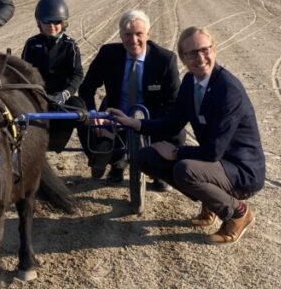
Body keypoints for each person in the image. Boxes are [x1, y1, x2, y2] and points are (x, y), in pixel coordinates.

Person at [109, 26, 265, 245]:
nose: (200, 58)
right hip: (216, 164)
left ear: (214, 49)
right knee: (146, 157)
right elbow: (171, 125)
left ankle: (238, 213)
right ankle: (211, 201)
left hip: (241, 169)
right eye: (191, 53)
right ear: (183, 58)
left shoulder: (228, 90)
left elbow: (213, 151)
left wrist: (176, 153)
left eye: (204, 49)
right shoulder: (190, 83)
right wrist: (133, 123)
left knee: (186, 170)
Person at [78, 9, 181, 186]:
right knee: (85, 121)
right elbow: (86, 88)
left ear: (148, 34)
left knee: (177, 134)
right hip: (116, 113)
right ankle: (115, 161)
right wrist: (95, 115)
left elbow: (173, 102)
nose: (133, 40)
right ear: (120, 35)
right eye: (127, 34)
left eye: (139, 34)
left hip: (150, 117)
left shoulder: (164, 59)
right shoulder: (108, 54)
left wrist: (153, 126)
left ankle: (159, 170)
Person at [22, 0, 85, 152]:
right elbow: (24, 73)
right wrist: (37, 94)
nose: (52, 26)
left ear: (64, 23)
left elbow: (77, 75)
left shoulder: (70, 46)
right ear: (39, 23)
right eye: (47, 21)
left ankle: (96, 156)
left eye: (57, 21)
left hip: (61, 99)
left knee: (82, 111)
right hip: (37, 97)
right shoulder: (32, 44)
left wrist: (64, 95)